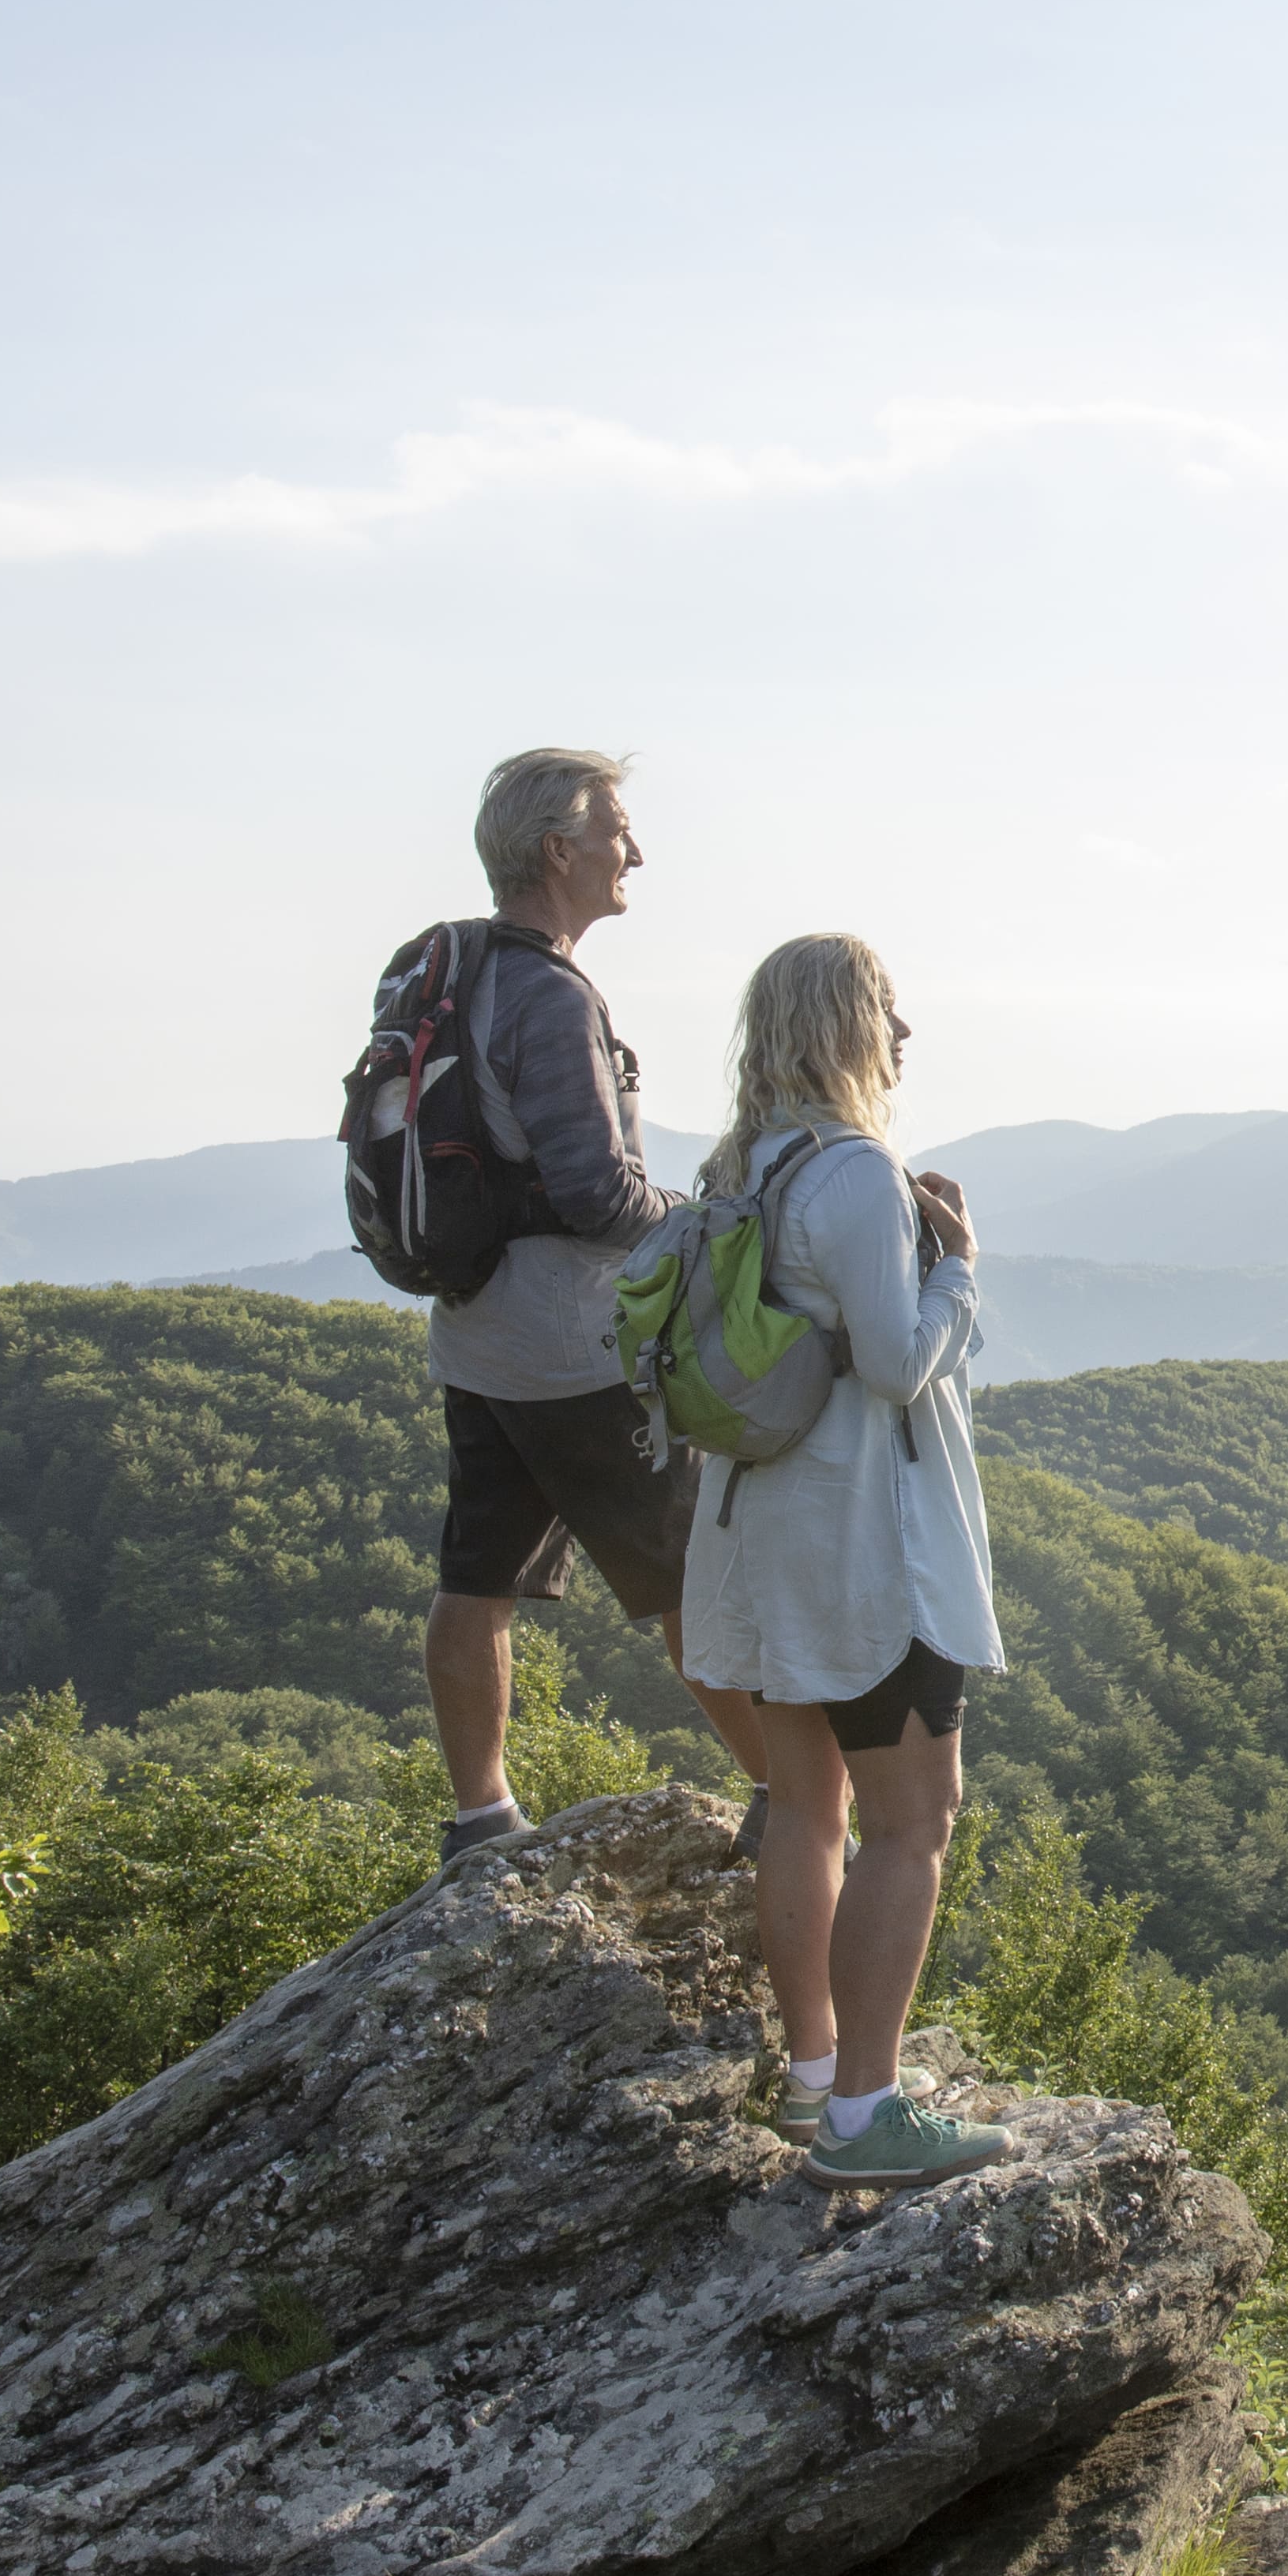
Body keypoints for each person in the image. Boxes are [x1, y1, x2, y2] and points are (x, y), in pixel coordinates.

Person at [681, 931, 1013, 2188]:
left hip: (763, 1532)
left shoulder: (744, 1167)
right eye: (889, 1009)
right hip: (869, 1547)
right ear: (844, 1026)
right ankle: (869, 2117)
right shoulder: (859, 1175)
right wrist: (963, 1271)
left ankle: (814, 2074)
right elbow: (892, 1361)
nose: (905, 1035)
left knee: (807, 1805)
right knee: (914, 1821)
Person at [422, 748, 787, 1866]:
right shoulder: (548, 993)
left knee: (476, 1574)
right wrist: (723, 1214)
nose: (635, 850)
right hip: (573, 1347)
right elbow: (596, 1193)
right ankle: (791, 1797)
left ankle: (480, 1815)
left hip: (476, 1329)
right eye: (618, 828)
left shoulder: (460, 970)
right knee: (693, 1579)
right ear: (558, 850)